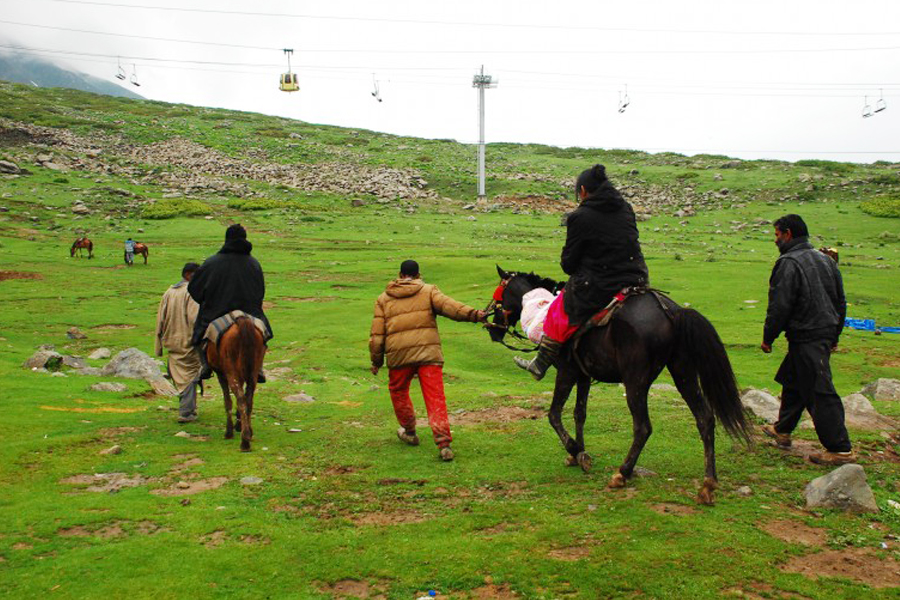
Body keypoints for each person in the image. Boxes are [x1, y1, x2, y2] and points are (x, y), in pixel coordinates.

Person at [515, 164, 649, 379]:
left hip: (601, 284)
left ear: (584, 191)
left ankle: (541, 362)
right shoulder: (626, 207)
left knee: (559, 311)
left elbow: (568, 264)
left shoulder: (580, 216)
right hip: (637, 278)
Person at [369, 260, 487, 461]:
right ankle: (444, 444)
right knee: (435, 397)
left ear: (399, 274)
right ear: (418, 274)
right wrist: (475, 315)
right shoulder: (429, 291)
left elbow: (377, 335)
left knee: (398, 391)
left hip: (399, 356)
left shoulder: (383, 298)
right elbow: (452, 308)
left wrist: (376, 361)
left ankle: (409, 431)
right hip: (428, 355)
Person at [760, 214, 854, 465]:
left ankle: (839, 448)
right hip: (822, 331)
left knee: (819, 390)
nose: (775, 240)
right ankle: (783, 429)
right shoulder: (826, 261)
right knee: (793, 380)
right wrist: (835, 334)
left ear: (788, 234)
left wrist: (769, 336)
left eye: (777, 235)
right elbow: (840, 301)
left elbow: (780, 305)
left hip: (806, 334)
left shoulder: (789, 262)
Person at [188, 224, 272, 381]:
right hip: (249, 311)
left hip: (217, 311)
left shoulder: (212, 263)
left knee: (199, 334)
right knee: (265, 334)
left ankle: (205, 366)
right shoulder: (253, 263)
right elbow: (260, 290)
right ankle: (259, 368)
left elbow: (194, 288)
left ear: (227, 239)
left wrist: (207, 301)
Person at [155, 262, 202, 423]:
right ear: (189, 275)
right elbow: (195, 318)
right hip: (187, 340)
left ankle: (189, 408)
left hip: (171, 340)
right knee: (189, 376)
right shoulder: (192, 293)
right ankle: (186, 412)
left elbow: (160, 318)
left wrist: (159, 343)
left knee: (180, 375)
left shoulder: (169, 292)